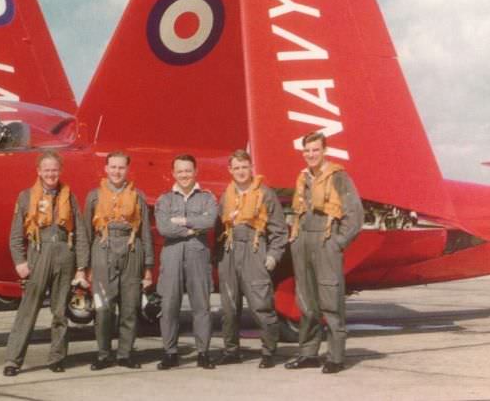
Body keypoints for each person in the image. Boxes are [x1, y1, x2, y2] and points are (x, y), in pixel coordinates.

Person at [284, 132, 363, 374]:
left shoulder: (338, 177)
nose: (310, 155)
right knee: (306, 302)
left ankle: (336, 357)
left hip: (326, 240)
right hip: (303, 242)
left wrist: (337, 242)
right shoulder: (304, 177)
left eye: (315, 150)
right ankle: (308, 353)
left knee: (331, 300)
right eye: (307, 150)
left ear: (324, 150)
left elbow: (355, 215)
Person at [2, 151, 87, 376]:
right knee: (27, 310)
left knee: (60, 312)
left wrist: (81, 267)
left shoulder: (69, 197)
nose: (51, 174)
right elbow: (15, 234)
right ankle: (13, 360)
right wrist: (20, 261)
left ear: (60, 171)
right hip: (38, 255)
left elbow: (80, 234)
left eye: (55, 170)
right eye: (47, 170)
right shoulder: (26, 197)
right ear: (38, 171)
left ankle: (57, 357)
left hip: (64, 254)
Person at [79, 151, 154, 370]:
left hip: (131, 250)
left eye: (121, 167)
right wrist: (86, 266)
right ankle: (103, 354)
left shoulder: (138, 196)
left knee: (129, 307)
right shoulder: (94, 196)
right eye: (112, 167)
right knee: (103, 307)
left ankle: (125, 353)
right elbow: (86, 233)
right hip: (103, 250)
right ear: (105, 168)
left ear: (127, 170)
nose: (117, 172)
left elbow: (145, 233)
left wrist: (148, 267)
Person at [216, 150, 287, 369]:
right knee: (228, 307)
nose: (240, 172)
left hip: (255, 250)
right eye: (236, 168)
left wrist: (274, 256)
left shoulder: (266, 194)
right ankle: (231, 350)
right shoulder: (226, 195)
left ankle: (268, 351)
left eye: (244, 167)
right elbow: (219, 227)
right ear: (230, 170)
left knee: (260, 305)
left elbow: (279, 230)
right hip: (229, 250)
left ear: (251, 167)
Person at [154, 154, 217, 370]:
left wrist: (181, 221)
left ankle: (203, 352)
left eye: (188, 170)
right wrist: (192, 229)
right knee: (169, 306)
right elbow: (164, 228)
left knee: (202, 305)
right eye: (180, 171)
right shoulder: (165, 199)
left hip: (198, 256)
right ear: (173, 173)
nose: (184, 175)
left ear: (195, 171)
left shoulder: (207, 198)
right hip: (171, 256)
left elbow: (209, 221)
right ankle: (170, 352)